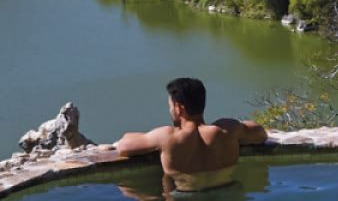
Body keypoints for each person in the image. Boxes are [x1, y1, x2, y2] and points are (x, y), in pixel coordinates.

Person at [106, 77, 267, 190]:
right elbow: (260, 134)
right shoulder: (228, 129)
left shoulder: (168, 137)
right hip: (228, 195)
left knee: (125, 190)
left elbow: (124, 146)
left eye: (170, 105)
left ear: (178, 108)